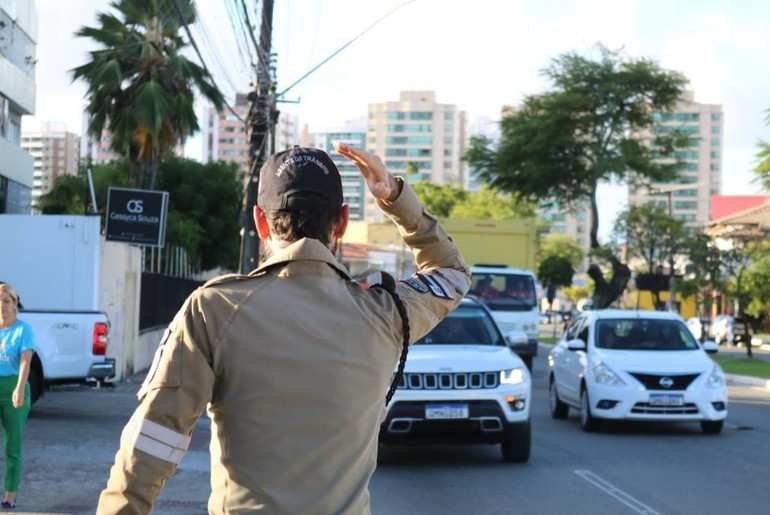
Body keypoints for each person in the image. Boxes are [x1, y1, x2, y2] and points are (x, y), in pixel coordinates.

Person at [96, 143, 470, 514]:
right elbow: (451, 272)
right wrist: (394, 197)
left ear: (260, 221)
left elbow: (154, 439)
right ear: (341, 221)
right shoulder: (385, 313)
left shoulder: (215, 309)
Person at [0, 283, 34, 509]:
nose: (2, 306)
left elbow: (25, 359)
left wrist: (20, 387)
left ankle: (9, 495)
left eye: (6, 301)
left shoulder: (23, 329)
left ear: (14, 303)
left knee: (12, 444)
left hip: (13, 388)